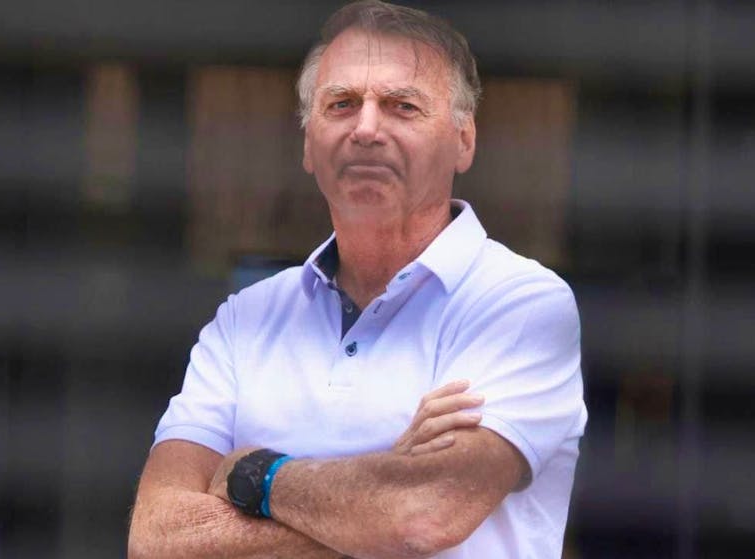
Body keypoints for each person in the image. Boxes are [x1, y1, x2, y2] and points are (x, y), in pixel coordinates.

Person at [128, 1, 586, 557]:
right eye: (341, 103)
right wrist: (382, 485)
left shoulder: (518, 305)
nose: (367, 128)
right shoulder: (245, 319)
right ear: (307, 142)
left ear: (464, 140)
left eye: (402, 106)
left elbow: (424, 514)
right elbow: (156, 538)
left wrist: (252, 475)